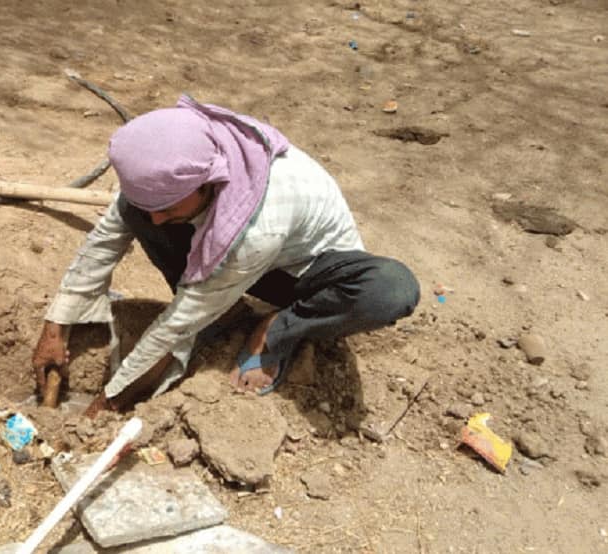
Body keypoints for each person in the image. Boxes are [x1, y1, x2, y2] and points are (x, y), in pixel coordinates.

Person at [31, 95, 420, 418]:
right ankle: (227, 311)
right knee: (141, 215)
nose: (155, 219)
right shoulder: (166, 170)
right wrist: (56, 327)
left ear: (208, 180)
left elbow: (176, 325)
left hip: (308, 274)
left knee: (390, 290)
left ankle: (277, 328)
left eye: (166, 207)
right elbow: (105, 241)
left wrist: (110, 402)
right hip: (242, 257)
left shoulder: (256, 225)